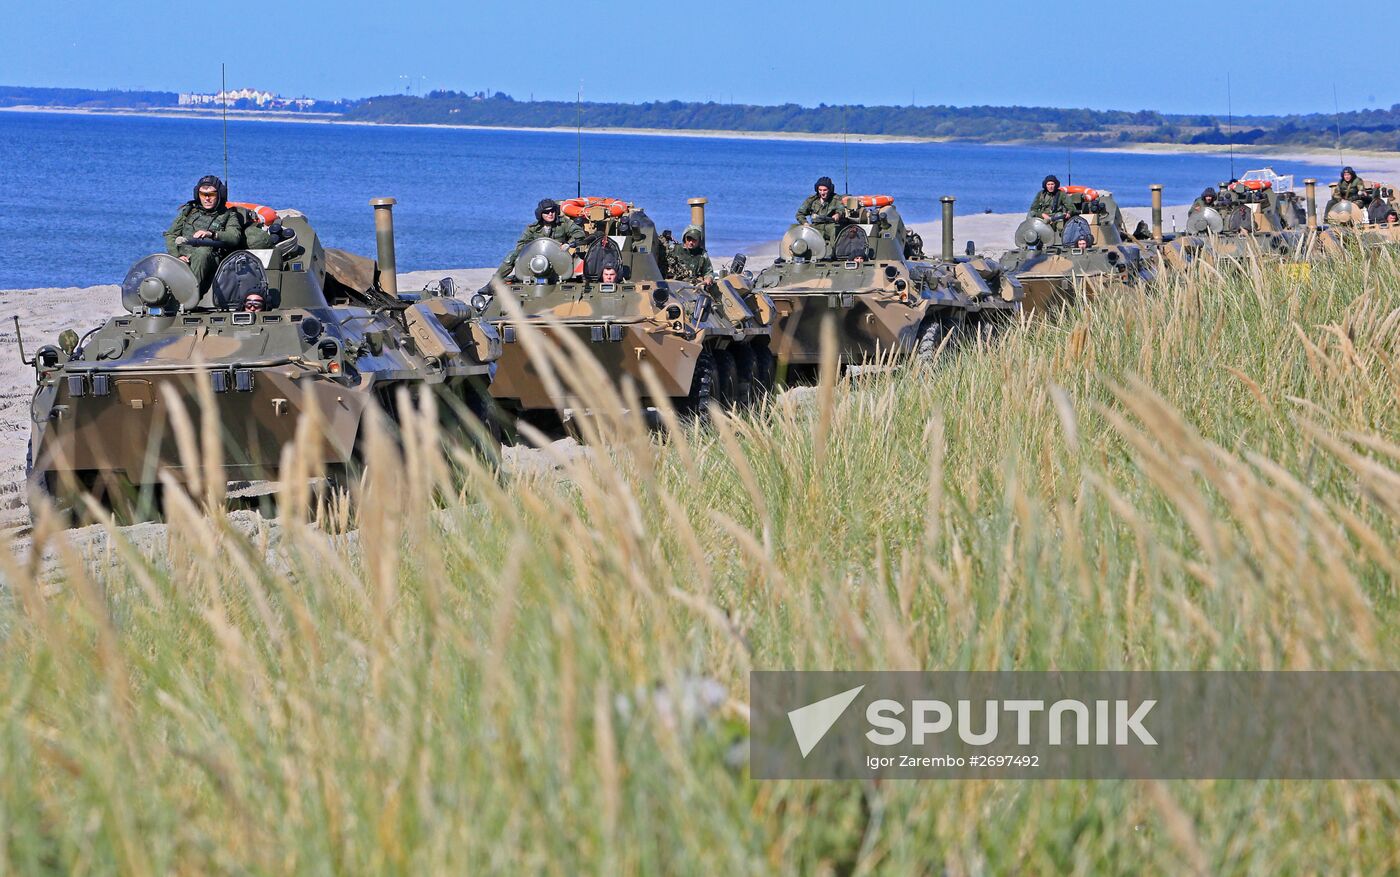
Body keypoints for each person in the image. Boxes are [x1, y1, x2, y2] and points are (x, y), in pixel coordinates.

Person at [164, 175, 244, 294]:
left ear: (219, 195)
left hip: (210, 258)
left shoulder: (228, 215)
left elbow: (234, 237)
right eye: (203, 195)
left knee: (202, 253)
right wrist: (177, 256)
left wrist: (212, 234)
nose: (207, 199)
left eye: (211, 195)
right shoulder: (189, 211)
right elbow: (171, 235)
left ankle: (189, 294)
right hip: (184, 257)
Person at [495, 198, 585, 279]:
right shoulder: (533, 228)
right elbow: (521, 244)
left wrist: (569, 244)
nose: (550, 214)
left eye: (552, 211)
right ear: (540, 214)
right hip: (537, 258)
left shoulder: (564, 223)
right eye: (546, 212)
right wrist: (530, 250)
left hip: (559, 257)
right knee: (512, 255)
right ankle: (494, 282)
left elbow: (579, 233)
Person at [795, 176, 846, 241]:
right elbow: (799, 214)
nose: (822, 193)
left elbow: (841, 209)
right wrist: (805, 223)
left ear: (829, 190)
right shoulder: (812, 200)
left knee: (835, 232)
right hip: (815, 226)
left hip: (830, 226)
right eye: (820, 190)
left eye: (825, 190)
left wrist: (838, 215)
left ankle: (833, 250)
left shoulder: (836, 199)